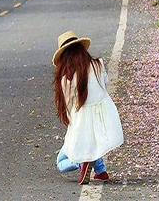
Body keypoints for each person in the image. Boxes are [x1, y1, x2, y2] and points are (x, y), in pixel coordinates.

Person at [52, 31, 123, 185]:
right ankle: (100, 171)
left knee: (61, 161)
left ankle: (82, 162)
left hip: (82, 120)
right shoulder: (99, 64)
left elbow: (71, 108)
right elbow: (104, 85)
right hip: (104, 114)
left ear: (64, 58)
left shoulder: (67, 79)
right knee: (93, 143)